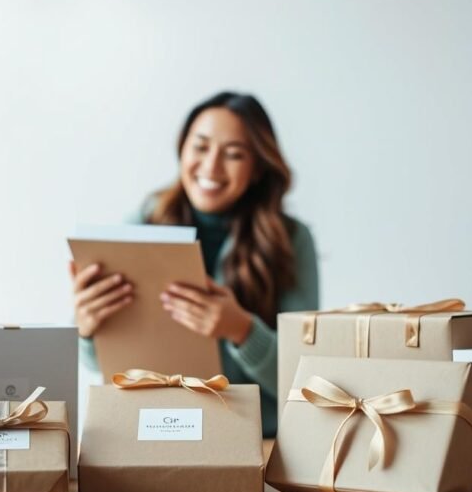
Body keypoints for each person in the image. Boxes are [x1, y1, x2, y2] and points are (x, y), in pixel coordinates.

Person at [70, 91, 319, 437]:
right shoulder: (143, 224)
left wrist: (243, 330)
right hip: (157, 431)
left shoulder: (290, 239)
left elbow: (305, 381)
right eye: (200, 147)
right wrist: (86, 329)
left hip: (254, 440)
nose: (211, 167)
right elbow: (104, 366)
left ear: (258, 168)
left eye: (234, 154)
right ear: (182, 150)